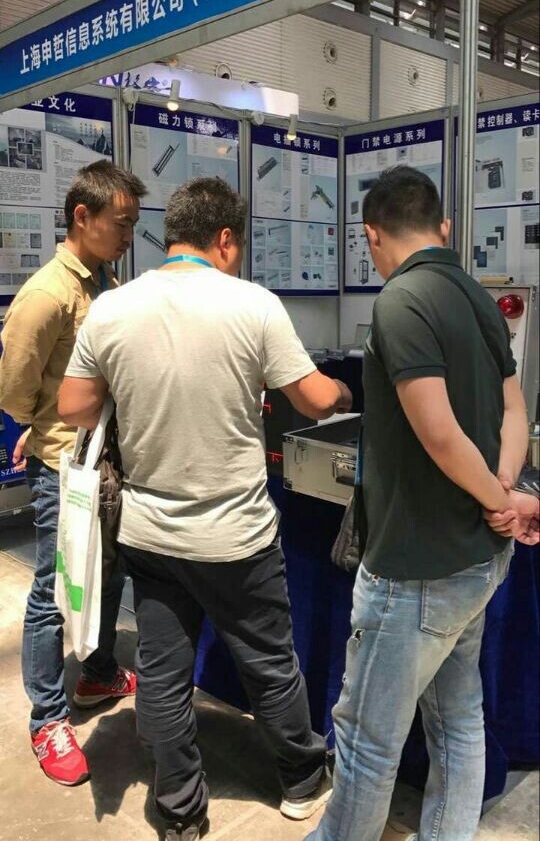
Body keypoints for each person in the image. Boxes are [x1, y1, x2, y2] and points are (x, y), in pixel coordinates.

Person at [57, 176, 353, 841]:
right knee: (270, 663)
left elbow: (73, 406)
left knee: (163, 675)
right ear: (225, 239)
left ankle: (180, 809)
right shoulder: (252, 305)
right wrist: (340, 390)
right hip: (236, 538)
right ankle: (302, 781)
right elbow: (313, 400)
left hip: (149, 536)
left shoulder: (112, 308)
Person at [306, 166, 530, 841]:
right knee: (458, 720)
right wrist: (505, 493)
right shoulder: (477, 296)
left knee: (367, 740)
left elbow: (438, 434)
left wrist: (496, 498)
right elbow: (514, 410)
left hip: (415, 567)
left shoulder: (400, 301)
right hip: (477, 557)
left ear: (372, 235)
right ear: (445, 227)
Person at [0, 160, 147, 787]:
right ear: (82, 217)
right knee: (54, 593)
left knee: (108, 575)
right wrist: (40, 425)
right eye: (121, 223)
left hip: (108, 459)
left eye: (133, 224)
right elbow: (14, 389)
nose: (128, 236)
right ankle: (47, 719)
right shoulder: (47, 295)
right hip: (66, 469)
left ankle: (98, 673)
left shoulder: (106, 280)